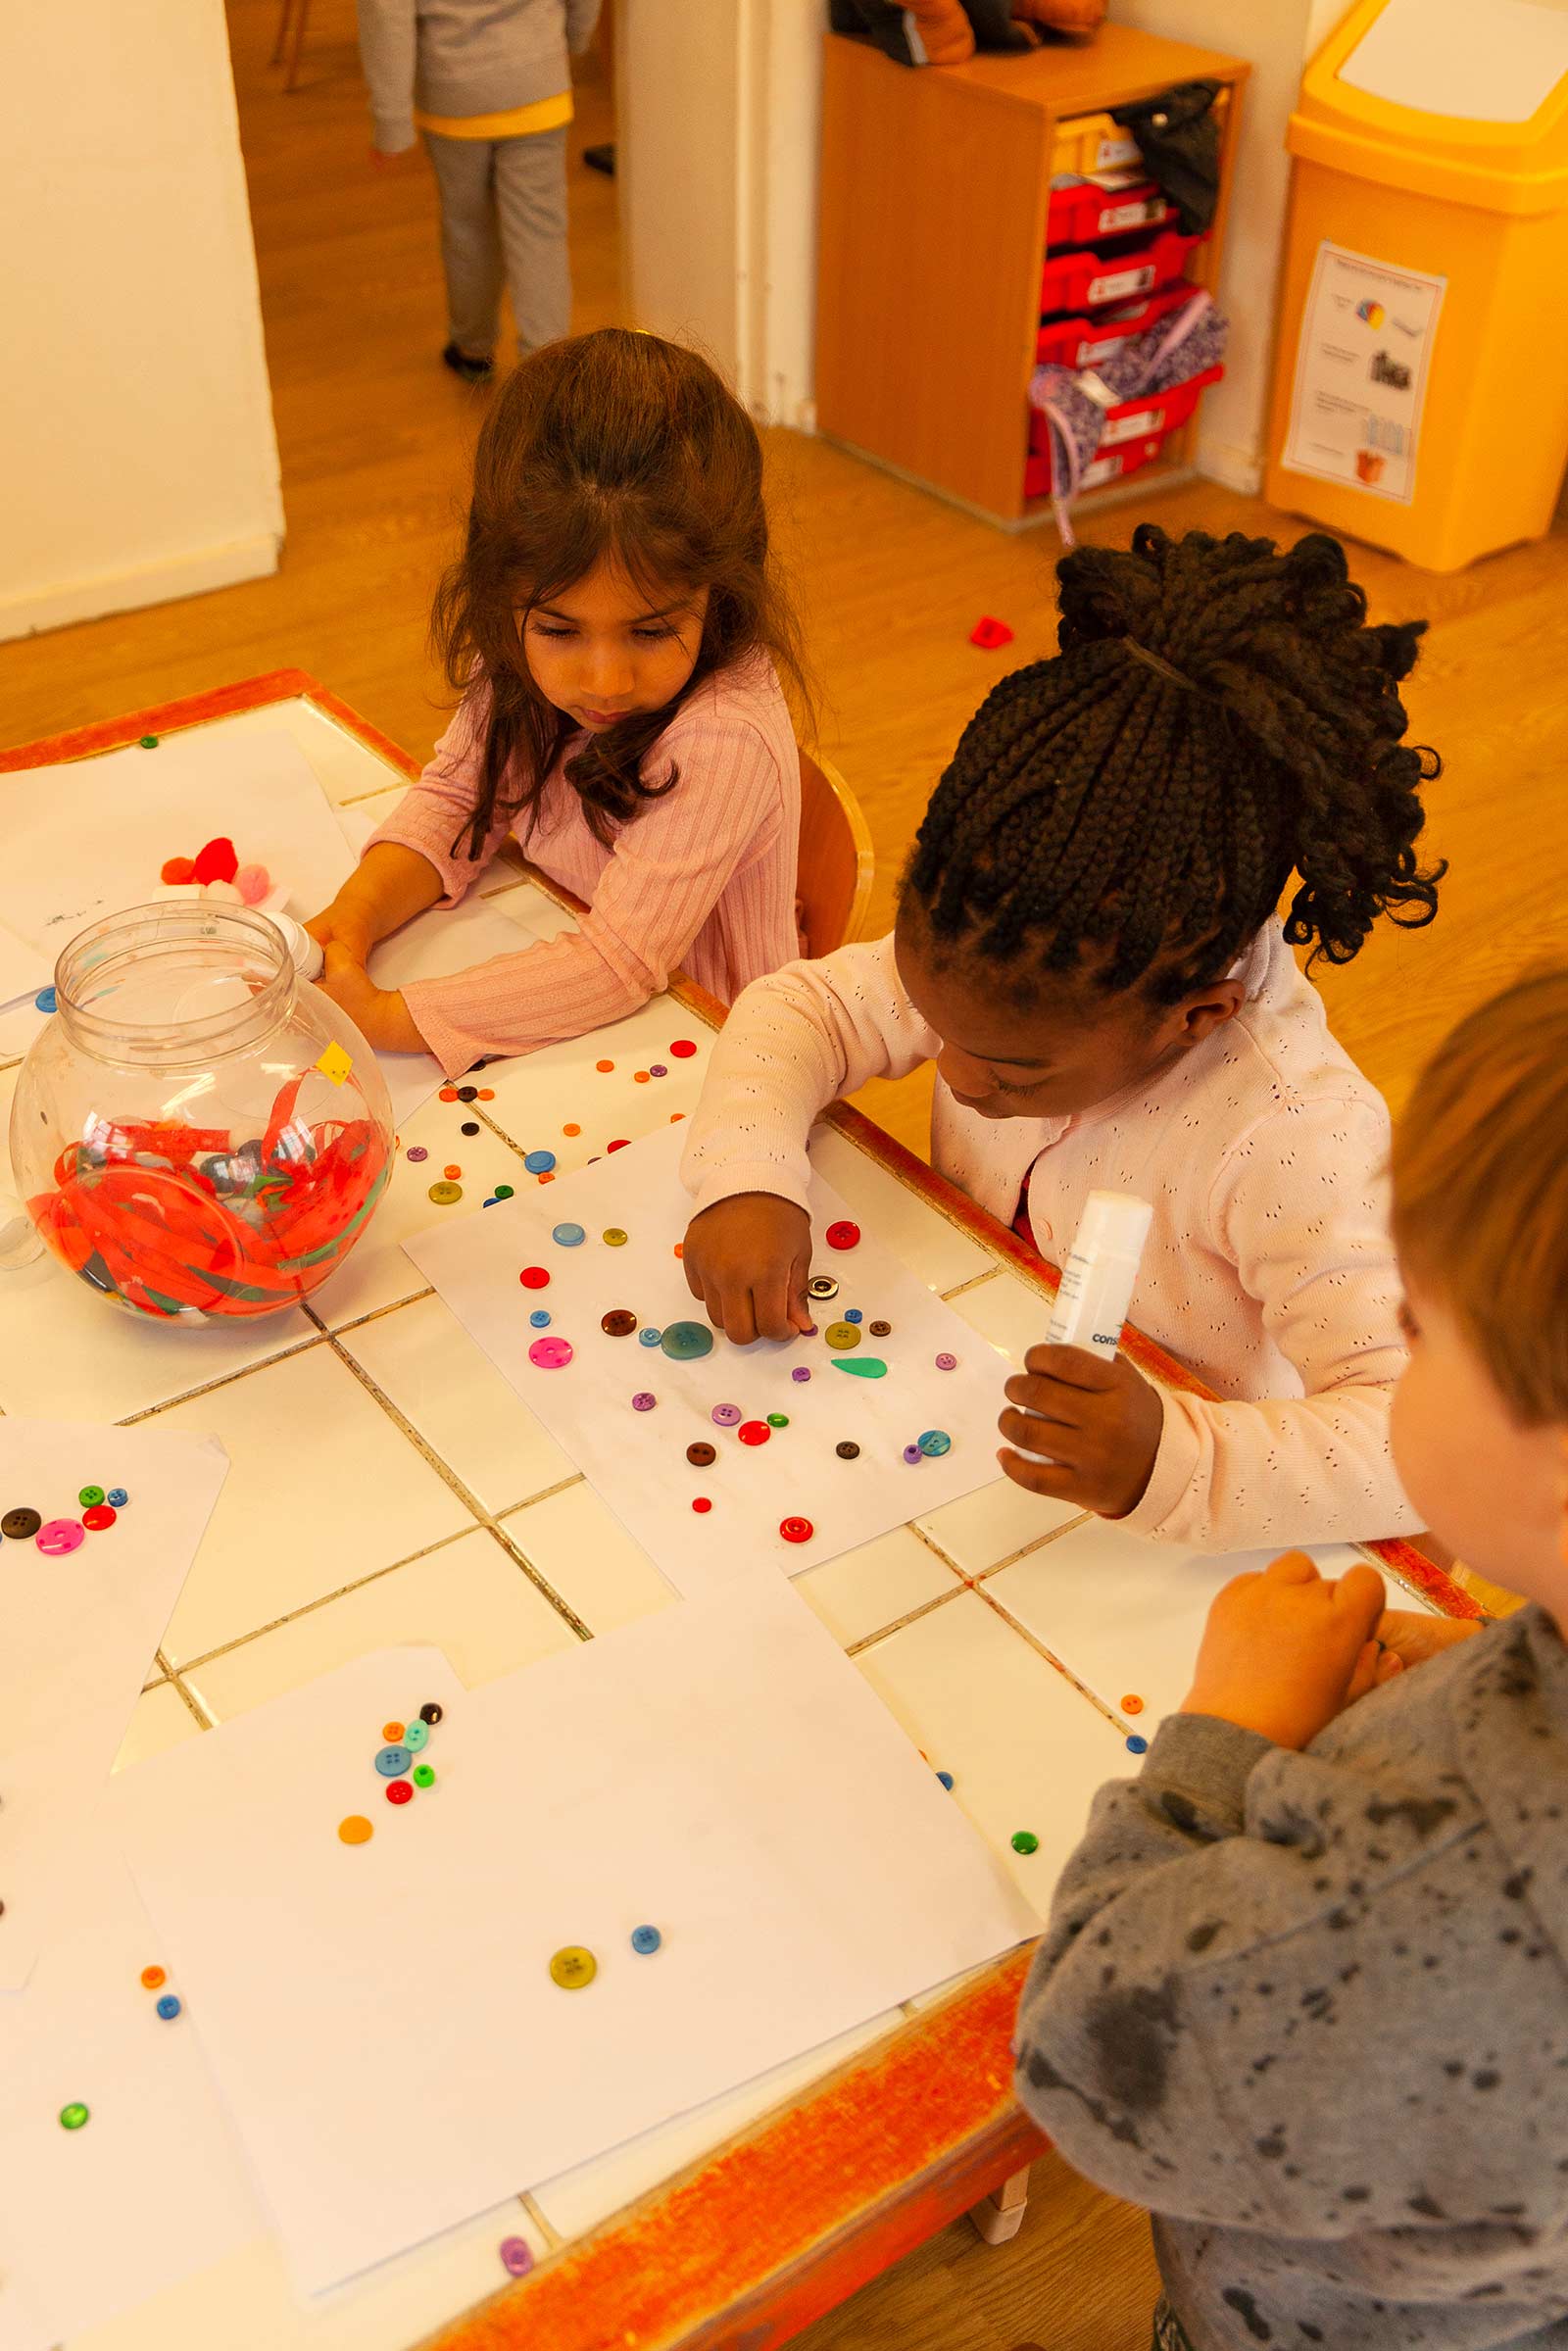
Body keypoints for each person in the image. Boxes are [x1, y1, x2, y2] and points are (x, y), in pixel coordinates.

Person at [680, 526, 1445, 1550]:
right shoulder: (1003, 957)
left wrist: (1171, 1457)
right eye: (931, 1018)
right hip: (965, 1384)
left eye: (1006, 1071)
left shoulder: (1298, 1134)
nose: (950, 1070)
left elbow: (1417, 1437)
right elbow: (800, 1010)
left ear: (1198, 1016)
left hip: (1151, 1531)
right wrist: (747, 1172)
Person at [1012, 967, 1568, 2351]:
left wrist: (1224, 1734)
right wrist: (1503, 1652)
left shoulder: (1457, 1901)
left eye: (1423, 1330)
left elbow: (1084, 2056)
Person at [308, 329, 808, 1075]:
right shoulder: (520, 645)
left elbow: (619, 962)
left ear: (720, 591)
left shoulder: (724, 737)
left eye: (650, 629)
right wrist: (352, 922)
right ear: (502, 595)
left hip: (717, 1062)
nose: (604, 680)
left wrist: (386, 1014)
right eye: (560, 629)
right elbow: (456, 797)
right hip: (587, 1005)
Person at [357, 0, 601, 380]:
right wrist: (575, 36)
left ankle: (473, 348)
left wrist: (391, 119)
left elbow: (385, 14)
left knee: (468, 229)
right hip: (538, 81)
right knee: (540, 235)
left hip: (454, 92)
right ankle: (547, 374)